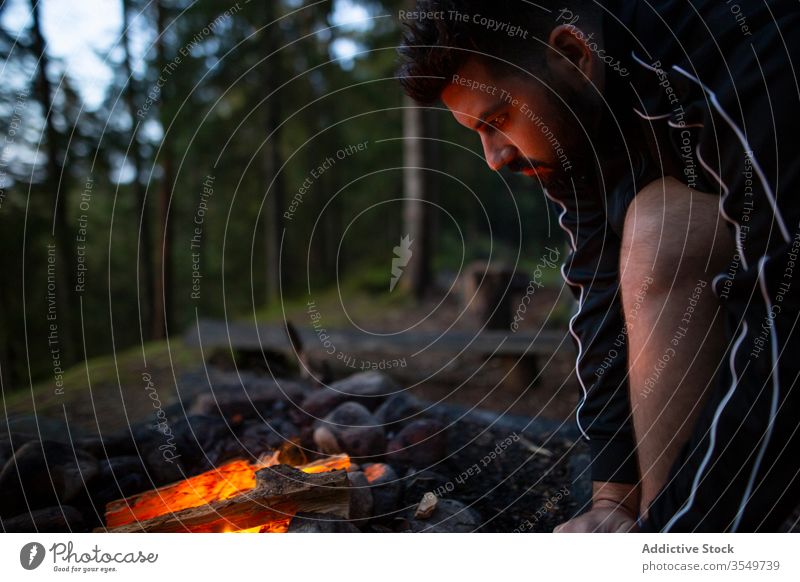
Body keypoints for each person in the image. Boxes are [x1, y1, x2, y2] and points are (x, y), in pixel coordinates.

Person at [397, 0, 800, 532]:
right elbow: (599, 291)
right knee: (659, 232)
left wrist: (684, 538)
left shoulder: (743, 62)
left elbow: (785, 324)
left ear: (571, 53)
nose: (494, 157)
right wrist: (612, 502)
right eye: (477, 133)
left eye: (498, 121)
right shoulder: (576, 126)